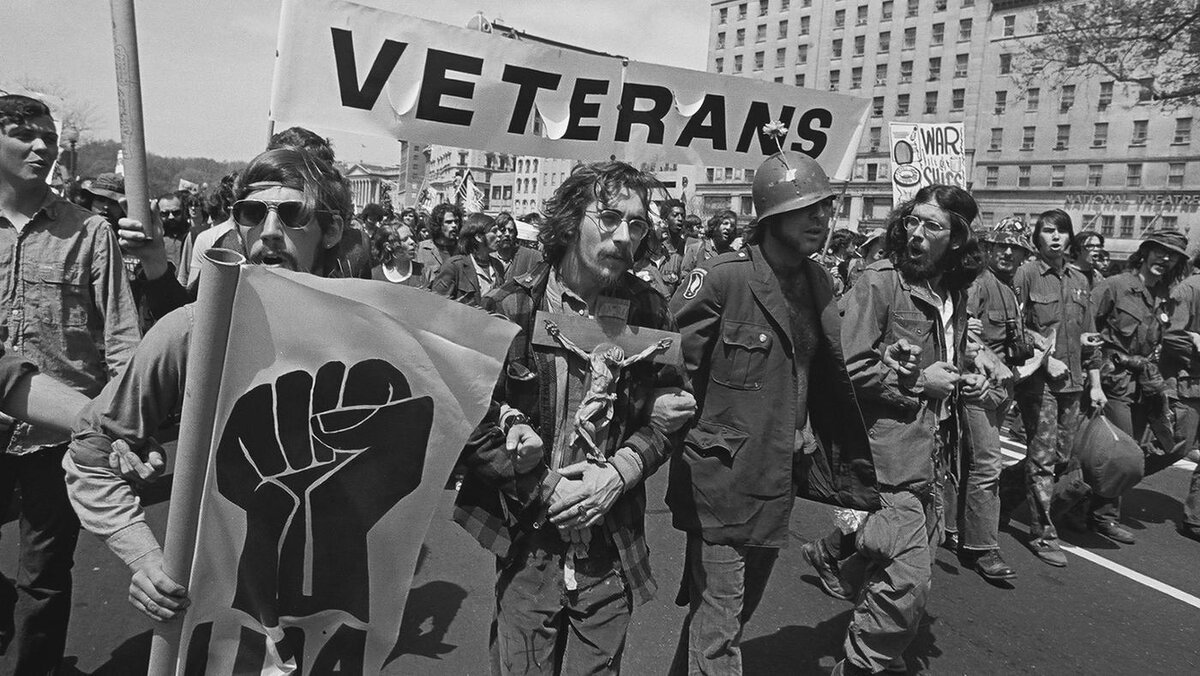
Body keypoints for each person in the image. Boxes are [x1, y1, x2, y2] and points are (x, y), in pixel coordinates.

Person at [64, 147, 355, 624]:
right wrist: (144, 559)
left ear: (333, 230)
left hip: (327, 606)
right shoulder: (191, 334)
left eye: (293, 213)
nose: (270, 232)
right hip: (216, 603)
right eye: (252, 213)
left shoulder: (372, 341)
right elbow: (90, 454)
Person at [452, 161, 695, 675]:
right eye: (608, 218)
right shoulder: (512, 305)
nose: (624, 236)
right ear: (568, 222)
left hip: (612, 545)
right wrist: (541, 481)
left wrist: (622, 471)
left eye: (637, 224)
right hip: (528, 546)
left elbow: (671, 411)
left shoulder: (650, 309)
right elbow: (467, 412)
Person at [666, 151, 878, 675]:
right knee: (719, 631)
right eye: (806, 210)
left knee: (725, 620)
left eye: (825, 209)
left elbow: (811, 373)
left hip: (775, 480)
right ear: (770, 216)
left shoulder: (819, 283)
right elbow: (670, 373)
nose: (821, 221)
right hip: (719, 481)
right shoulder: (721, 279)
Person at [0, 93, 141, 673]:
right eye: (23, 135)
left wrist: (126, 424)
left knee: (45, 575)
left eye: (49, 139)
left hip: (57, 438)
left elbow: (122, 339)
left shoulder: (90, 232)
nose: (41, 148)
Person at [832, 185, 985, 676]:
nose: (916, 234)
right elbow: (848, 368)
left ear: (957, 239)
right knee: (909, 583)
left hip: (933, 453)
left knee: (894, 558)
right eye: (912, 222)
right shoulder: (881, 281)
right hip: (888, 454)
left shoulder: (954, 292)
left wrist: (966, 373)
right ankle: (862, 666)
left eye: (932, 226)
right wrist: (921, 382)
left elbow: (942, 361)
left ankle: (839, 553)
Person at [1008, 209, 1105, 566]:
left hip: (1074, 382)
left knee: (1063, 457)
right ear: (1038, 237)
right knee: (1044, 456)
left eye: (1062, 232)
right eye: (1048, 231)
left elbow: (1090, 337)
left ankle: (1002, 491)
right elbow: (1013, 326)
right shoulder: (1027, 274)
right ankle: (1043, 534)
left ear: (1070, 238)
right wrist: (1045, 359)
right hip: (1039, 382)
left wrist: (1095, 383)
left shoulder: (1081, 279)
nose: (1055, 238)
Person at [1089, 229, 1190, 544]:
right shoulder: (1115, 286)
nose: (1165, 259)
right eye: (1160, 251)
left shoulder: (1164, 295)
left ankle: (1083, 506)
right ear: (1145, 252)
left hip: (1144, 384)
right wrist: (1094, 376)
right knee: (1121, 452)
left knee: (1162, 444)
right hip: (1114, 380)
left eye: (1172, 255)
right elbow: (1086, 327)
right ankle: (1102, 518)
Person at [955, 219, 1035, 582]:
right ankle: (982, 547)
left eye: (1015, 248)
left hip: (1003, 390)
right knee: (987, 466)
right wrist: (989, 359)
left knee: (968, 463)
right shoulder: (979, 283)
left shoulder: (1010, 288)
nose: (1007, 252)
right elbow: (961, 334)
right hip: (979, 388)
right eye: (1000, 245)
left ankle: (955, 528)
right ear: (987, 248)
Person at [1161, 250, 1200, 543]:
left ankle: (1196, 520)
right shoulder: (1187, 289)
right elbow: (1172, 336)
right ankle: (1098, 494)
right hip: (1188, 385)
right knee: (1169, 449)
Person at [431, 213, 506, 306]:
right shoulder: (454, 266)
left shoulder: (498, 266)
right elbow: (437, 305)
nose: (499, 234)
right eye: (494, 231)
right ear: (479, 237)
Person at [632, 202, 685, 298]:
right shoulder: (636, 262)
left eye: (663, 222)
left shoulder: (675, 259)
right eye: (659, 223)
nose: (665, 226)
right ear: (647, 230)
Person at [370, 221, 426, 288]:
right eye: (405, 239)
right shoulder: (375, 275)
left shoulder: (424, 272)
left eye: (411, 237)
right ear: (388, 247)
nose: (412, 242)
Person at [681, 210, 738, 275]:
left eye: (732, 225)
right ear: (715, 225)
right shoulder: (696, 249)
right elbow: (684, 276)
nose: (728, 228)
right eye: (725, 223)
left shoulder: (733, 255)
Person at [491, 211, 540, 282]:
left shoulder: (529, 255)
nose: (507, 234)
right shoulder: (489, 257)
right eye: (503, 230)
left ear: (515, 234)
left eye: (511, 231)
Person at [417, 203, 461, 281]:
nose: (454, 225)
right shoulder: (422, 249)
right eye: (449, 222)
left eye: (456, 221)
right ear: (438, 224)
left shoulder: (464, 250)